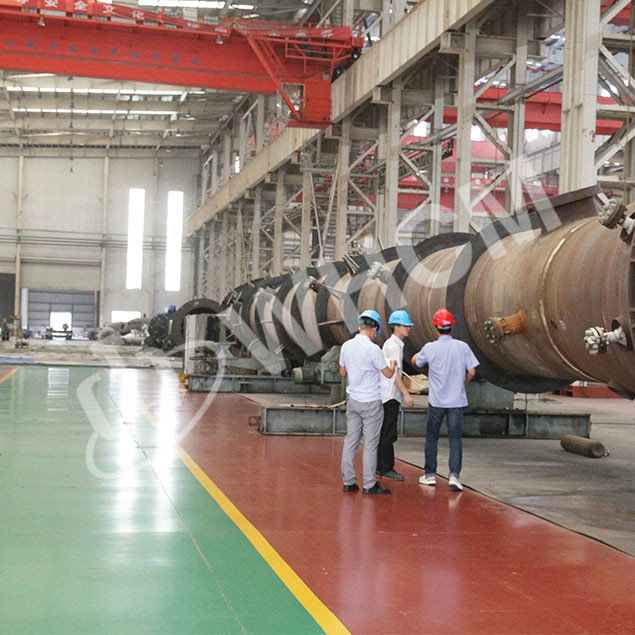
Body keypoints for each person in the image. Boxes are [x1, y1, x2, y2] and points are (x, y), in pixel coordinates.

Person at [411, 308, 479, 492]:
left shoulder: (430, 348)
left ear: (435, 328)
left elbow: (416, 361)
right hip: (457, 401)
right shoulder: (462, 347)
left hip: (437, 402)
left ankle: (430, 475)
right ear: (452, 327)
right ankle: (454, 476)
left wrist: (418, 355)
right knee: (455, 439)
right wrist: (463, 384)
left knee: (432, 437)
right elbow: (472, 371)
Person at [339, 310, 396, 495]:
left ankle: (348, 482)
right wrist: (393, 365)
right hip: (371, 402)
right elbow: (388, 374)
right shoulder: (374, 349)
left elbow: (342, 372)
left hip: (353, 400)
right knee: (370, 444)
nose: (375, 336)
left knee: (350, 441)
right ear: (373, 329)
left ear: (359, 327)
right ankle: (369, 484)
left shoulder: (346, 346)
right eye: (375, 333)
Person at [377, 310, 415, 480]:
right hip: (390, 396)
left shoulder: (394, 344)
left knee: (385, 431)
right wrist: (406, 393)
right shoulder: (393, 346)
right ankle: (386, 467)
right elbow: (394, 374)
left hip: (387, 394)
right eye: (405, 326)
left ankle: (381, 466)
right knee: (388, 432)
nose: (408, 328)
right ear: (396, 327)